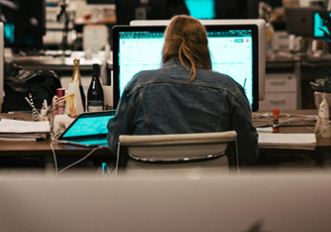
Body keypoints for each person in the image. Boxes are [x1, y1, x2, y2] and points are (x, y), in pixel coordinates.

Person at [106, 15, 258, 165]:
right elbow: (248, 152)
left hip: (152, 186)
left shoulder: (138, 86)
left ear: (167, 46)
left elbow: (115, 144)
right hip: (209, 187)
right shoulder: (230, 89)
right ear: (204, 47)